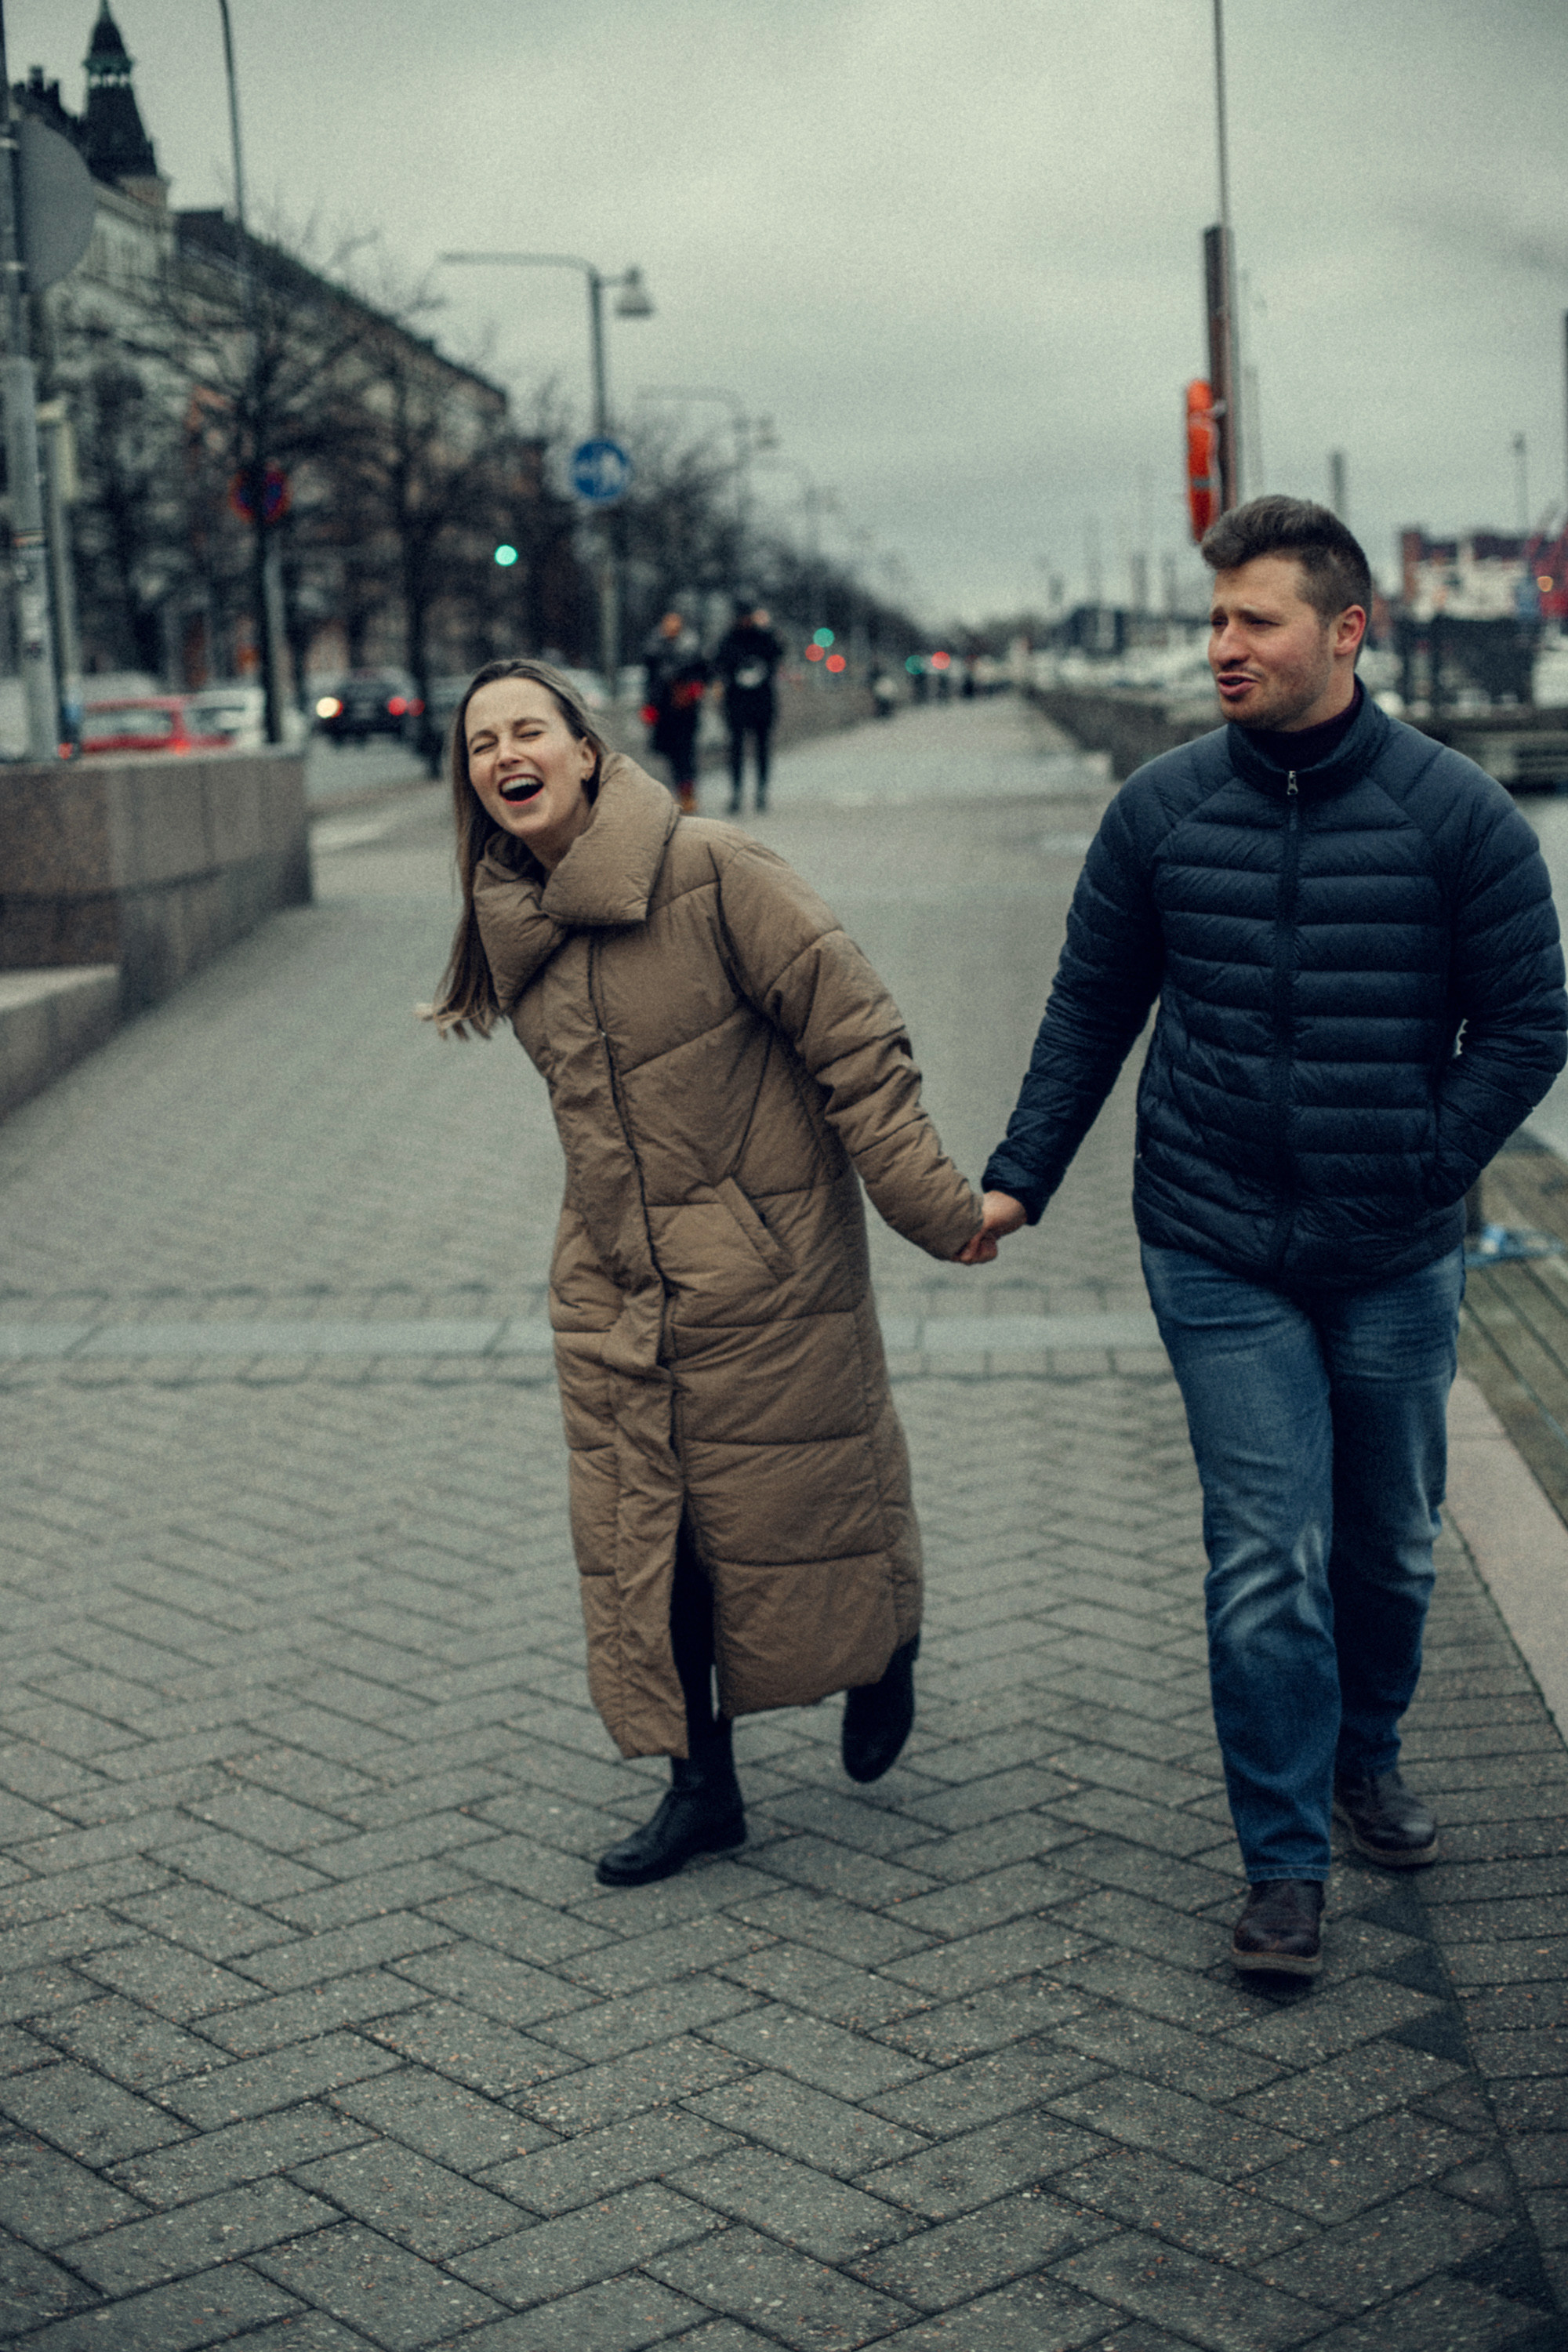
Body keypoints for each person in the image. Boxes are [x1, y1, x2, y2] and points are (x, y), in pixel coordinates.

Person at [964, 497, 1566, 1979]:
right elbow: (1090, 1009)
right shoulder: (1163, 810)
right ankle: (1284, 1862)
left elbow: (1531, 1021)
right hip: (1214, 1238)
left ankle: (1367, 1753)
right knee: (1266, 1557)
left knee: (1390, 1546)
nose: (1222, 645)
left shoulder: (1455, 813)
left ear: (1346, 633)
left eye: (1255, 621)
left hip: (1393, 1248)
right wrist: (1020, 1174)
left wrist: (1427, 1156)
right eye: (1216, 618)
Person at [425, 659, 983, 1886]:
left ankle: (884, 1648)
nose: (503, 755)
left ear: (585, 748)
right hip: (617, 1275)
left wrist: (938, 1210)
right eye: (479, 744)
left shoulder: (714, 868)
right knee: (651, 1539)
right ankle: (703, 1792)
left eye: (527, 729)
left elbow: (857, 1034)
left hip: (765, 1264)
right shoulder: (510, 917)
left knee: (807, 1499)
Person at [713, 600, 784, 813]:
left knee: (762, 748)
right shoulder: (728, 639)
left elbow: (778, 651)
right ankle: (736, 792)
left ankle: (761, 792)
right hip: (737, 702)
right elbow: (717, 663)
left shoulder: (764, 636)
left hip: (761, 701)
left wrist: (768, 628)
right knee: (736, 749)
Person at [642, 611, 709, 812]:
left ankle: (687, 792)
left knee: (686, 752)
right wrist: (649, 705)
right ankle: (679, 789)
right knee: (670, 752)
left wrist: (693, 688)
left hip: (686, 709)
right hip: (664, 710)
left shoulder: (691, 648)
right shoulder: (654, 648)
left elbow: (704, 673)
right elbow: (650, 680)